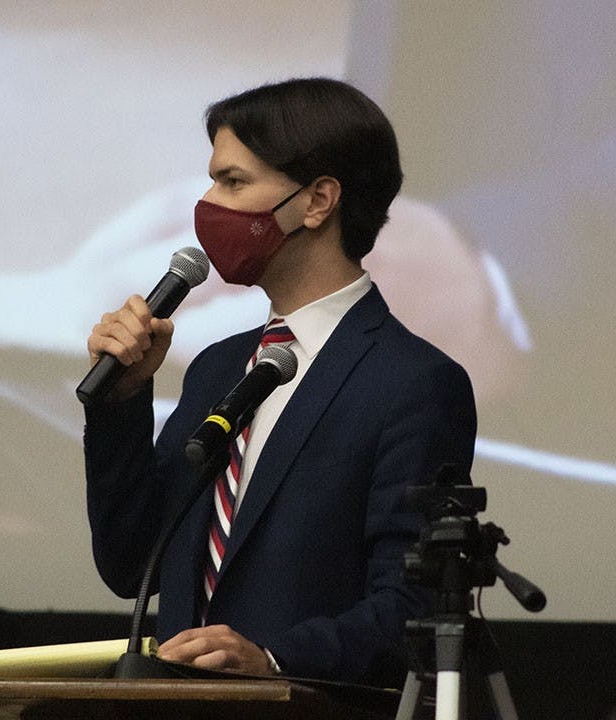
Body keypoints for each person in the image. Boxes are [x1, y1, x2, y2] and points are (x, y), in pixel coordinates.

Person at [83, 77, 476, 686]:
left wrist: (273, 661)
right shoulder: (216, 368)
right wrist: (123, 400)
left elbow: (411, 608)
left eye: (233, 181)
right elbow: (132, 565)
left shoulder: (413, 384)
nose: (209, 204)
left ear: (318, 201)